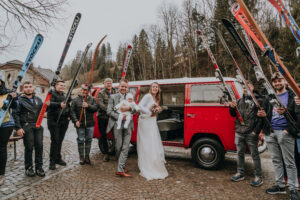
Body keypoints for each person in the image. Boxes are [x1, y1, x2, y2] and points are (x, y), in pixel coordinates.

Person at [258, 72, 299, 200]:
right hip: (271, 132)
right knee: (276, 161)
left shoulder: (294, 96)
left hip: (285, 132)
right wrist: (262, 115)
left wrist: (288, 129)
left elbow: (296, 115)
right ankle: (280, 185)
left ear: (285, 82)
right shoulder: (269, 97)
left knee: (290, 162)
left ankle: (293, 188)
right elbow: (266, 113)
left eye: (279, 80)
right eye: (275, 81)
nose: (277, 83)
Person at [229, 81, 263, 186]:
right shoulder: (239, 101)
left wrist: (255, 132)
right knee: (239, 153)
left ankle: (258, 176)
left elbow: (261, 118)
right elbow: (233, 115)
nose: (245, 89)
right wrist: (231, 107)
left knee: (254, 155)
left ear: (252, 87)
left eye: (247, 87)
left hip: (251, 132)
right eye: (243, 88)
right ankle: (240, 173)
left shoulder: (258, 101)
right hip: (239, 132)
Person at [12, 81, 45, 177]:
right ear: (23, 88)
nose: (28, 88)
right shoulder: (19, 100)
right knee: (29, 147)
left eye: (30, 86)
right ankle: (29, 168)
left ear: (33, 88)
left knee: (39, 147)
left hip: (38, 126)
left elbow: (44, 110)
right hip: (27, 126)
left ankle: (39, 167)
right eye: (26, 87)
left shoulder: (38, 99)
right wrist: (18, 128)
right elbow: (15, 114)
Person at [137, 82, 168, 180]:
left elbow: (156, 109)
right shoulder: (148, 96)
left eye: (156, 87)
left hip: (152, 121)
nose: (155, 88)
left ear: (158, 89)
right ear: (151, 88)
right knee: (147, 143)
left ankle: (153, 163)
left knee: (153, 143)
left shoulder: (156, 98)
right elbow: (139, 107)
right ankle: (147, 165)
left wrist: (158, 110)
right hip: (145, 121)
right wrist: (149, 112)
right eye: (153, 87)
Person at [107, 79, 136, 177]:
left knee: (126, 146)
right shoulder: (113, 97)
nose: (124, 88)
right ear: (118, 87)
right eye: (122, 86)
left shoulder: (130, 96)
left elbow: (135, 109)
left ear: (127, 88)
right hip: (117, 124)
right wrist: (119, 117)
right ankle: (121, 166)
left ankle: (120, 169)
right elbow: (109, 111)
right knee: (118, 146)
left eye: (125, 86)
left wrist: (129, 108)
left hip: (128, 124)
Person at [70, 84, 98, 165]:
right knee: (80, 140)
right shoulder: (75, 100)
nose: (84, 91)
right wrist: (75, 121)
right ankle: (81, 157)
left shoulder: (92, 99)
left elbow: (95, 108)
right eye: (83, 90)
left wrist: (88, 106)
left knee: (89, 140)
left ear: (89, 91)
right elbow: (72, 112)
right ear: (81, 90)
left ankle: (87, 156)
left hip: (90, 124)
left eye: (86, 90)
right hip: (80, 124)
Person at [46, 80, 70, 170]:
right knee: (55, 140)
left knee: (60, 140)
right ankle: (52, 161)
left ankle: (58, 158)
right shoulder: (51, 94)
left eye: (63, 85)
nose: (62, 87)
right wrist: (59, 105)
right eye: (60, 85)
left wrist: (68, 115)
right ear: (56, 86)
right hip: (54, 120)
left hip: (64, 121)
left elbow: (68, 106)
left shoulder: (65, 95)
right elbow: (48, 104)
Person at [0, 76, 18, 185]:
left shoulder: (7, 93)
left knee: (1, 148)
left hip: (6, 123)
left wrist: (14, 98)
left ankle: (1, 173)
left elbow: (15, 106)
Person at [97, 78, 117, 162]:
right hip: (103, 117)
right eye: (107, 83)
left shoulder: (116, 92)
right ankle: (106, 154)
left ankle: (116, 152)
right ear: (104, 84)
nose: (109, 84)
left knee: (116, 135)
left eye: (110, 83)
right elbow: (101, 105)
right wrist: (111, 110)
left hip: (113, 117)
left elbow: (119, 102)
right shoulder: (100, 93)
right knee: (103, 136)